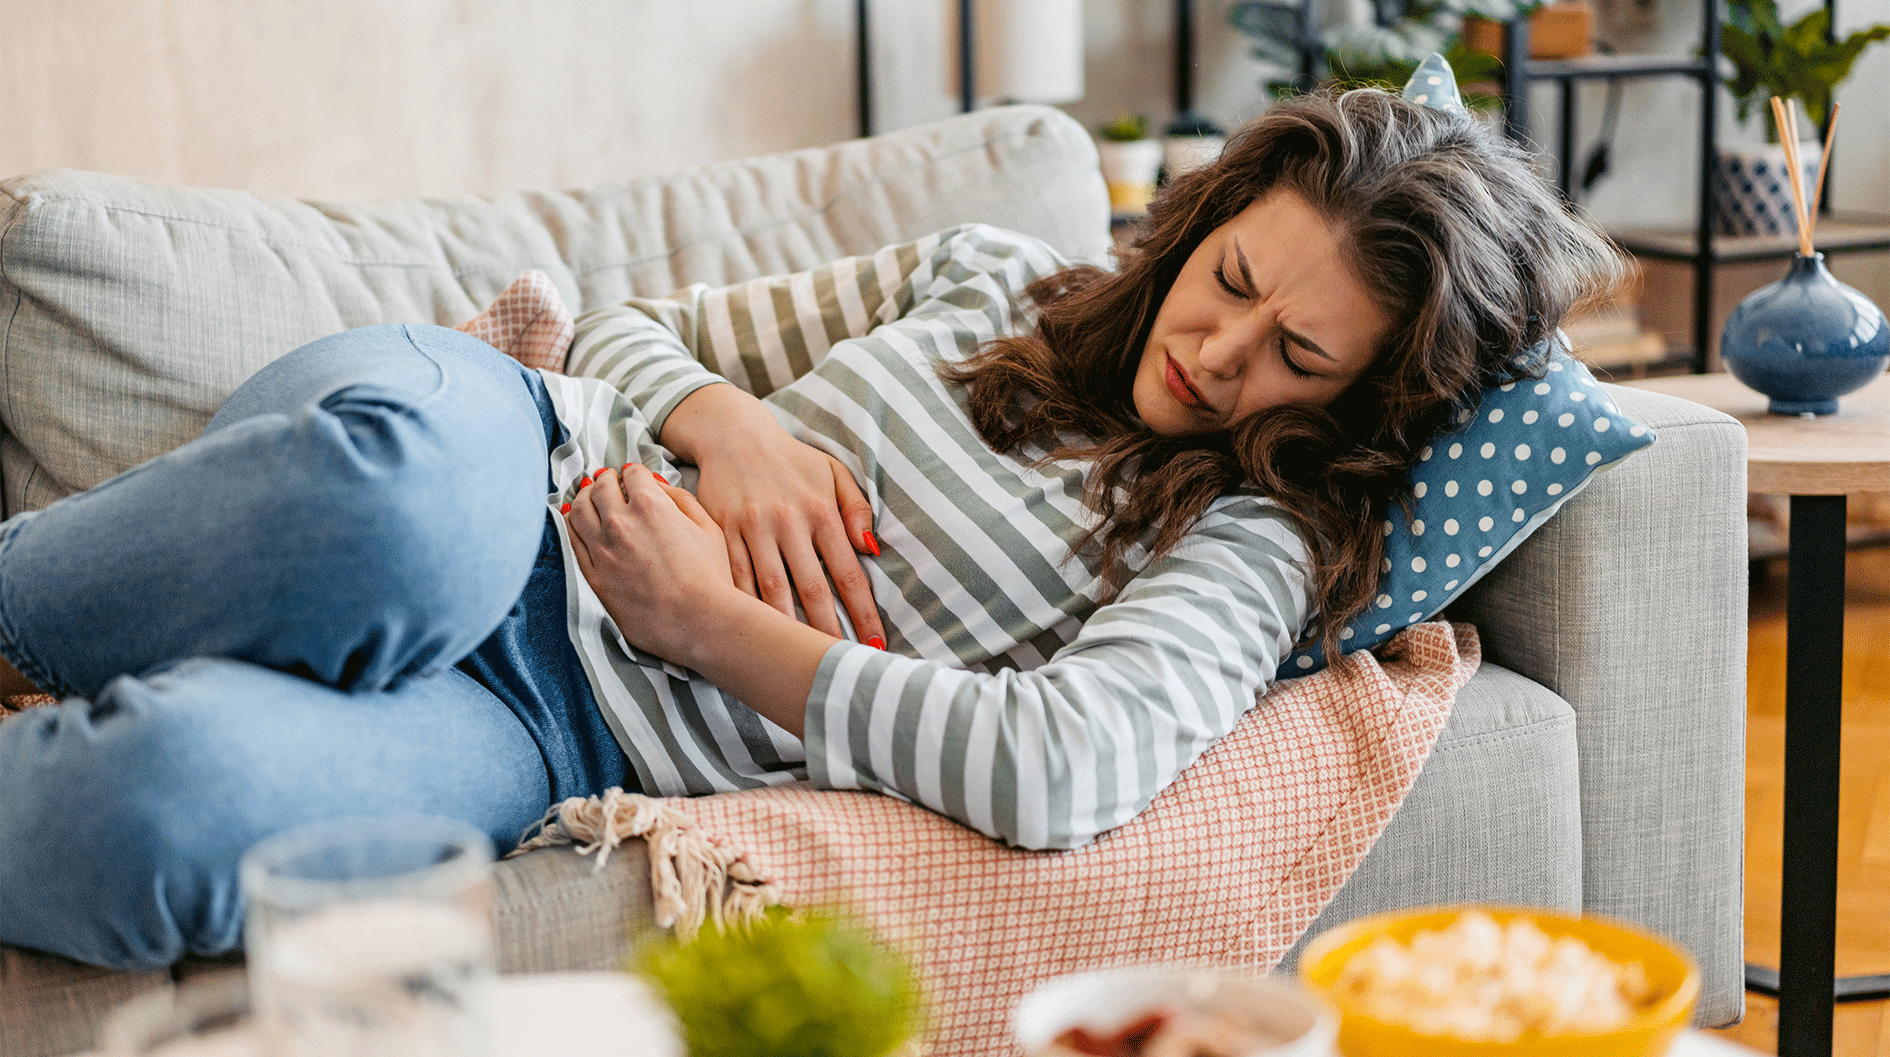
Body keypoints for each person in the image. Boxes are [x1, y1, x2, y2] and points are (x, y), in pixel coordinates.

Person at [0, 85, 1625, 970]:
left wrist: (715, 629)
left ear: (1356, 411)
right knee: (389, 511)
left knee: (170, 811)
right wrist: (735, 424)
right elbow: (634, 332)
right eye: (1230, 283)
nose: (1218, 354)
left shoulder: (1244, 547)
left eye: (1299, 359)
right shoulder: (990, 277)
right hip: (500, 448)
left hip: (549, 720)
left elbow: (1064, 765)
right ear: (1199, 222)